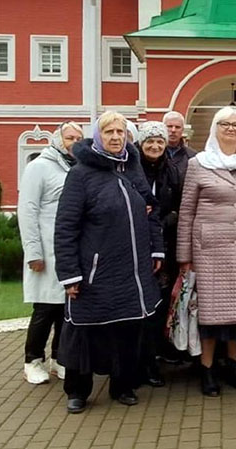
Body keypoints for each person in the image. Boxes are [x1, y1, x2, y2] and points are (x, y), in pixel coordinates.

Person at [54, 111, 164, 413]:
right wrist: (70, 274)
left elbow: (151, 208)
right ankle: (77, 390)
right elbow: (66, 226)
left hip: (133, 269)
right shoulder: (81, 174)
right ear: (98, 136)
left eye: (120, 131)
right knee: (86, 331)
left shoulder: (132, 166)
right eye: (109, 132)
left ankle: (122, 385)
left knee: (127, 330)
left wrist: (157, 250)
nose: (116, 137)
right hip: (96, 271)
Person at [177, 106, 236, 397]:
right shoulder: (199, 163)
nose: (230, 128)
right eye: (224, 123)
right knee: (210, 315)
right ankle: (207, 368)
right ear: (215, 128)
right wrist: (184, 256)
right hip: (208, 251)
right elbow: (187, 211)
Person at [18, 121, 83, 384]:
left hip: (68, 251)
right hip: (45, 250)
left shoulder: (75, 168)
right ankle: (32, 360)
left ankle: (59, 358)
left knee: (65, 309)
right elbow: (27, 210)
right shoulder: (38, 167)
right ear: (57, 139)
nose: (74, 142)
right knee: (44, 309)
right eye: (69, 137)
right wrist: (33, 252)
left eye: (79, 138)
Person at [136, 121, 184, 387]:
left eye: (159, 142)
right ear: (141, 144)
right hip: (135, 247)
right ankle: (137, 361)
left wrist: (162, 221)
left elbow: (179, 206)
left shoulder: (172, 171)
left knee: (160, 305)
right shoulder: (131, 170)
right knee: (138, 306)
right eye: (149, 142)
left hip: (165, 248)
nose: (154, 146)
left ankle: (154, 358)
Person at [163, 111, 196, 177]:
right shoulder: (154, 153)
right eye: (169, 126)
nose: (173, 130)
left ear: (183, 130)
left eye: (177, 127)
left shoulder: (192, 157)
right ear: (163, 127)